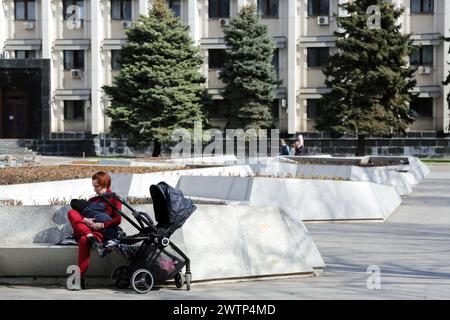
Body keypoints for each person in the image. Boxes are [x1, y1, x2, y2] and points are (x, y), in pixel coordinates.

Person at [67, 171, 122, 289]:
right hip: (85, 228)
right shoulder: (93, 200)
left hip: (99, 231)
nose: (94, 190)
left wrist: (102, 225)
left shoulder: (114, 199)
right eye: (93, 186)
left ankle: (80, 278)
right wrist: (85, 219)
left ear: (105, 184)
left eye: (96, 186)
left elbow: (117, 219)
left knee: (83, 240)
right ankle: (89, 236)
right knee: (72, 212)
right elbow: (79, 216)